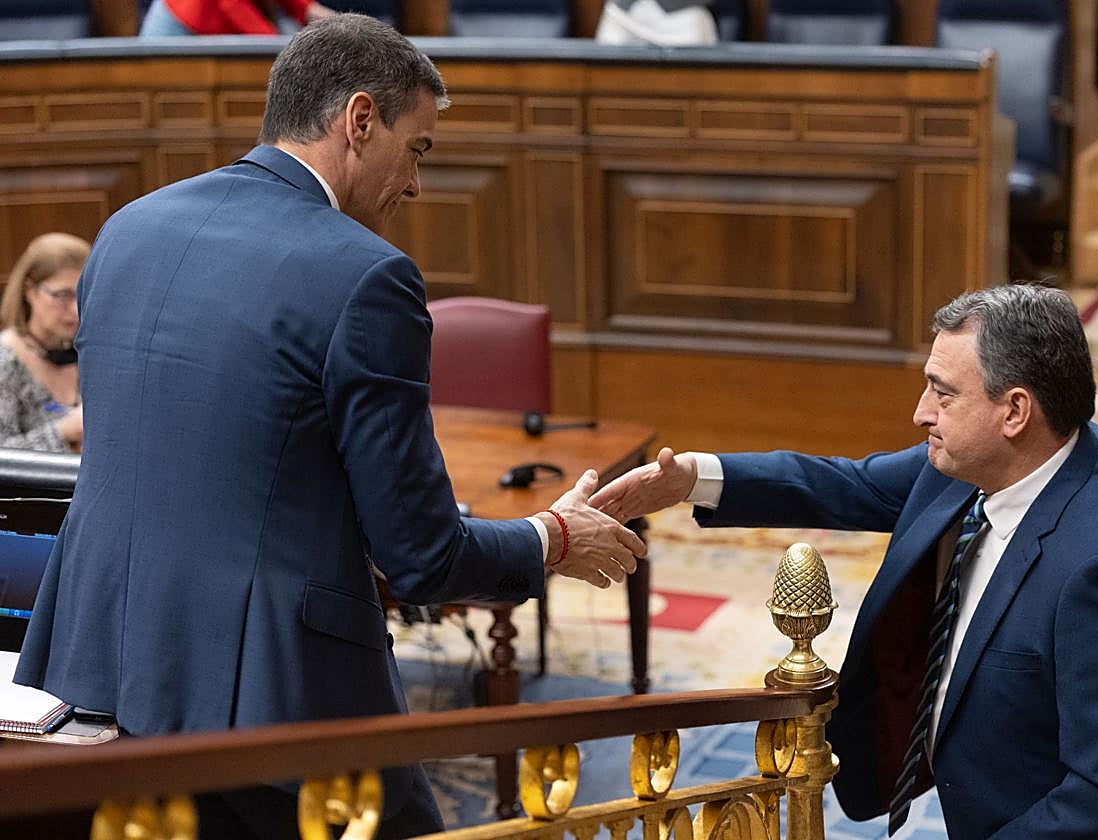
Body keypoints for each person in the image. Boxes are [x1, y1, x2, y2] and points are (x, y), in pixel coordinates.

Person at [16, 15, 643, 840]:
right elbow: (421, 556)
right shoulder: (367, 276)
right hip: (274, 707)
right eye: (417, 149)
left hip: (99, 664)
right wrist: (551, 537)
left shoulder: (128, 228)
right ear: (359, 120)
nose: (416, 185)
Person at [591, 284, 1098, 839]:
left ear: (1014, 412)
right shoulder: (977, 464)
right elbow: (846, 484)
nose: (922, 413)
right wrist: (691, 479)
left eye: (944, 394)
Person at [0, 233, 87, 453]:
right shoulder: (6, 360)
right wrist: (64, 432)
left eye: (83, 296)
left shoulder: (87, 351)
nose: (75, 310)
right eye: (63, 295)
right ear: (30, 291)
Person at [140, 0, 334, 36]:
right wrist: (273, 41)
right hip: (177, 23)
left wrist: (311, 10)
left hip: (213, 26)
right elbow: (231, 4)